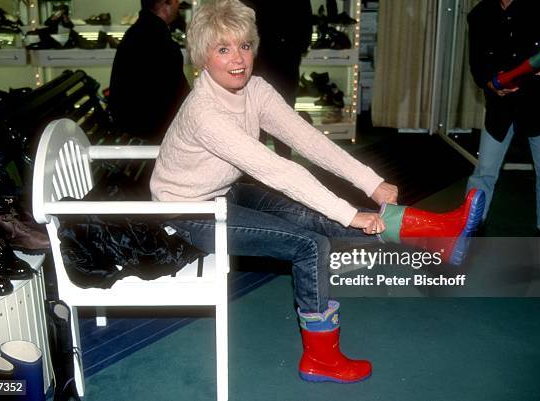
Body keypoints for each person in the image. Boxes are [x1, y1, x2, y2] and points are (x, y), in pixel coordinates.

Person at [150, 0, 485, 384]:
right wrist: (349, 212)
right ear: (202, 57)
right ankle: (320, 360)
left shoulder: (254, 89)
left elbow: (309, 141)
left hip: (222, 191)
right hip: (187, 211)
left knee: (317, 216)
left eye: (244, 45)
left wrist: (369, 181)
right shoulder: (204, 111)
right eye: (223, 49)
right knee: (310, 243)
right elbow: (277, 169)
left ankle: (436, 235)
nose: (238, 58)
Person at [465, 0, 540, 235]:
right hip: (500, 108)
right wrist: (490, 83)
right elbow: (477, 64)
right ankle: (470, 223)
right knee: (484, 173)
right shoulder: (479, 15)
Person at [109, 0, 189, 143]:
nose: (179, 5)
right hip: (147, 131)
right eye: (176, 1)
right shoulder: (159, 41)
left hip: (131, 124)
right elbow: (180, 98)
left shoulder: (138, 31)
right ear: (166, 5)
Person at [241, 0, 313, 159]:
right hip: (269, 57)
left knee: (280, 112)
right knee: (262, 111)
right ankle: (263, 162)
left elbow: (305, 22)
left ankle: (275, 161)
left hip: (276, 57)